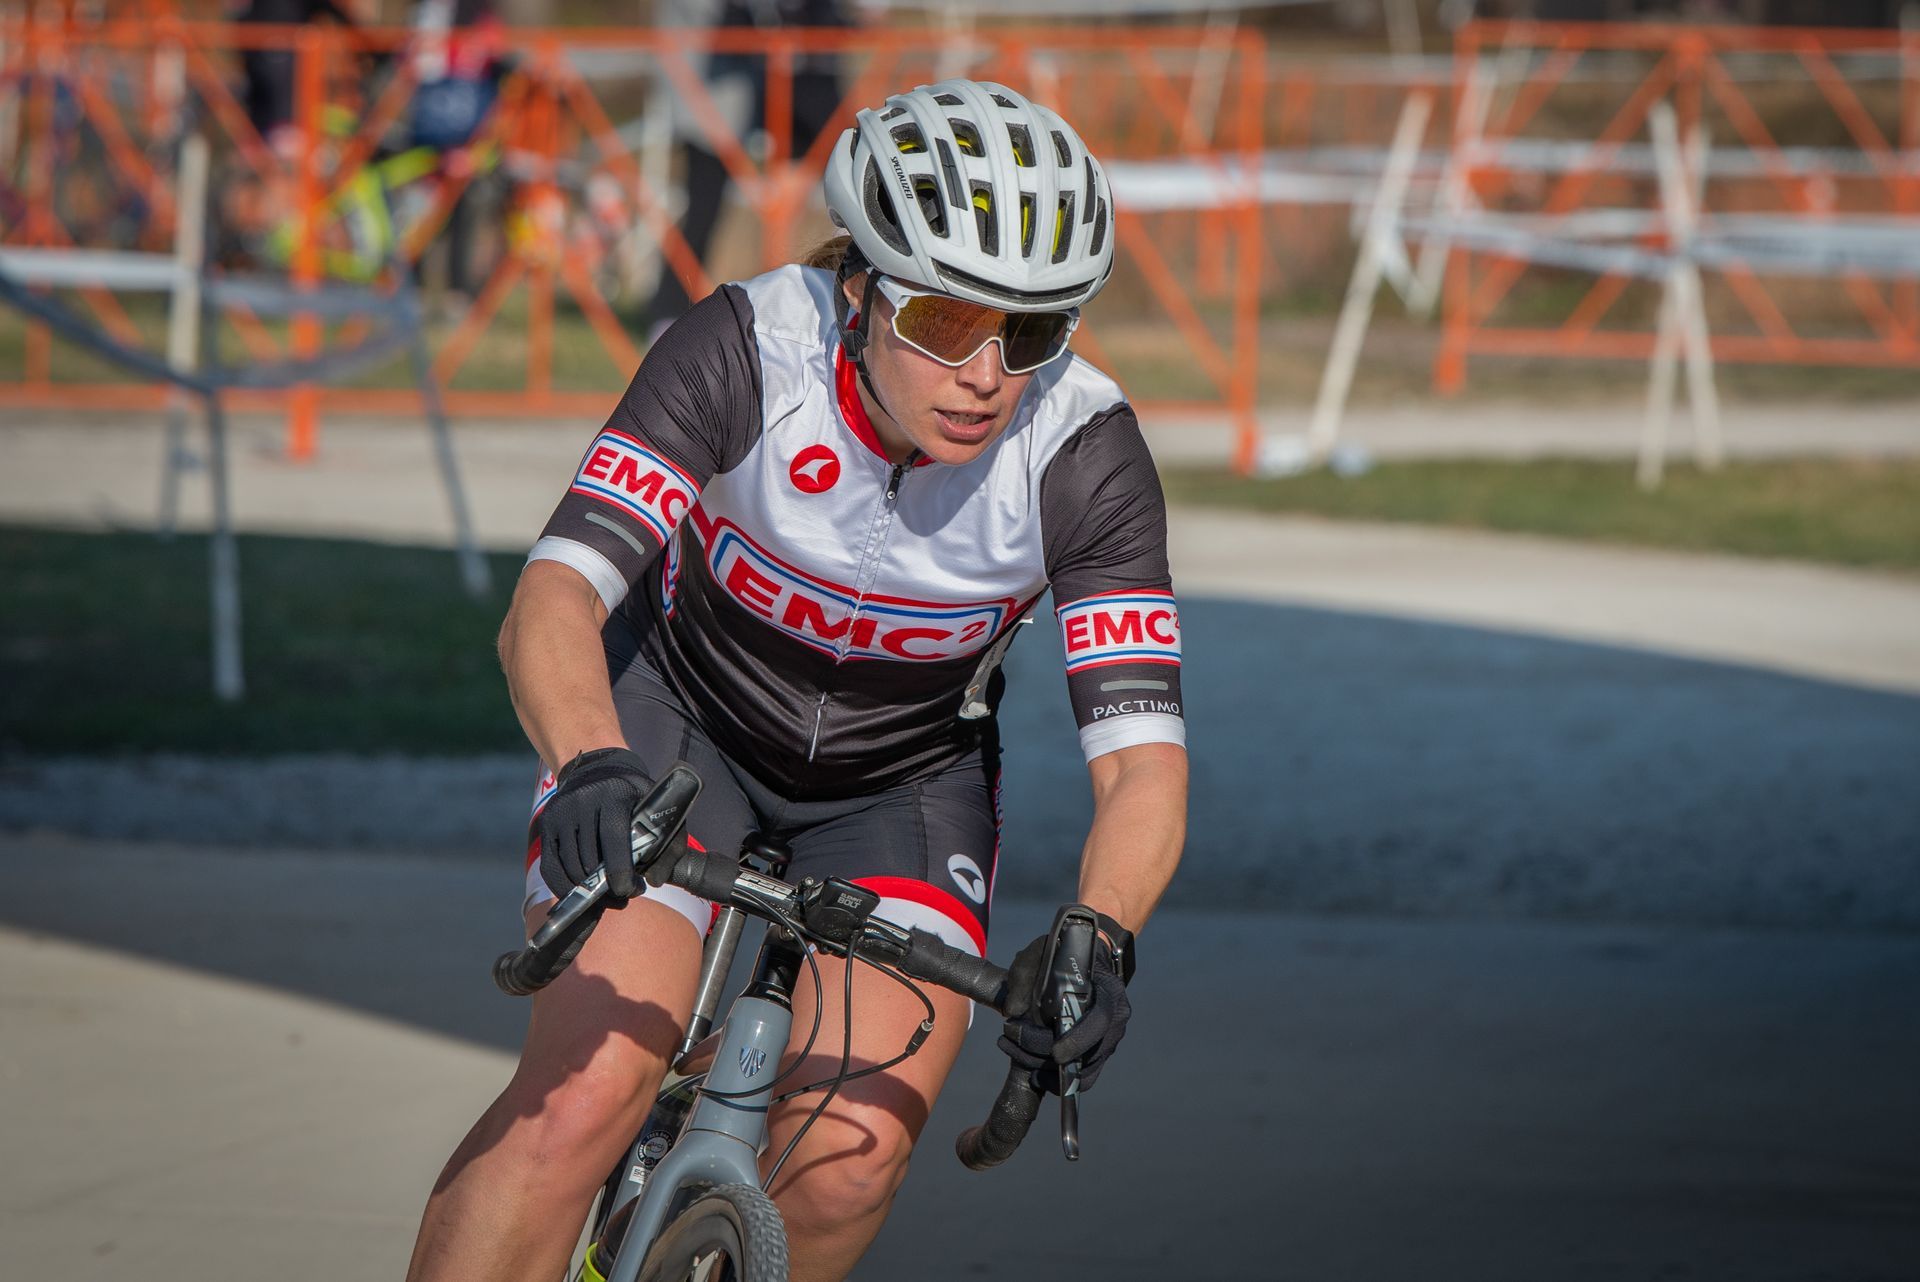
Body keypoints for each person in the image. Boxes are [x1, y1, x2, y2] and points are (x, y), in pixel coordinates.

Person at [404, 78, 1186, 1282]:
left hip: (901, 785)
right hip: (675, 731)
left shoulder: (1083, 452)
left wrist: (1100, 934)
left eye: (1028, 332)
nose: (984, 372)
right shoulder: (746, 346)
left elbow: (1140, 761)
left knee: (852, 1158)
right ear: (863, 288)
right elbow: (552, 600)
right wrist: (589, 762)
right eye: (943, 321)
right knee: (584, 1094)